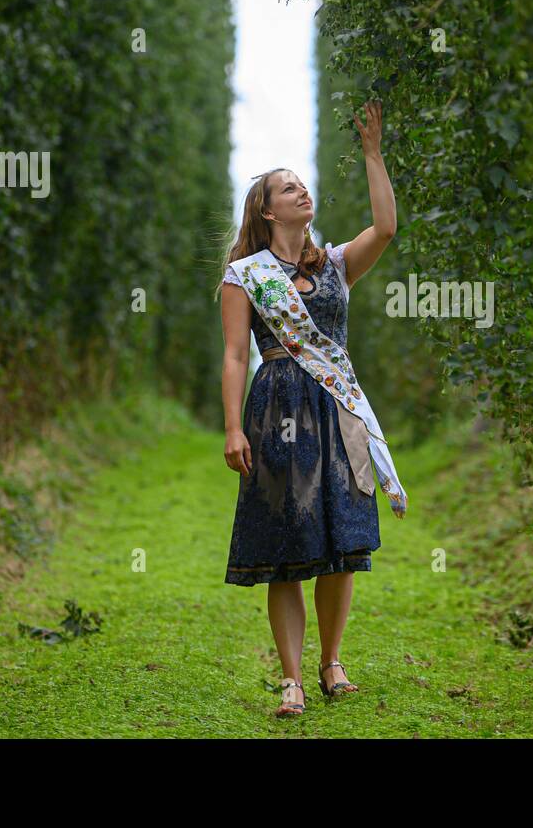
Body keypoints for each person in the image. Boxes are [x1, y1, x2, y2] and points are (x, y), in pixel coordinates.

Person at [216, 100, 398, 718]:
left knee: (342, 540)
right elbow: (237, 356)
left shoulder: (337, 265)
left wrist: (373, 153)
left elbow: (387, 228)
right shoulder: (244, 276)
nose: (301, 190)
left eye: (303, 184)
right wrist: (234, 426)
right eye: (287, 187)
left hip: (337, 410)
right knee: (289, 545)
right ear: (268, 210)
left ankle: (331, 661)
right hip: (278, 411)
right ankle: (291, 678)